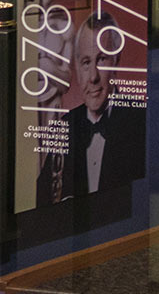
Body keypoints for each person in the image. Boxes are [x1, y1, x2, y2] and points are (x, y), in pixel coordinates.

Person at [36, 14, 143, 203]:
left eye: (101, 59)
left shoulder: (142, 122)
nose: (93, 77)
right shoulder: (64, 127)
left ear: (116, 61)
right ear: (77, 66)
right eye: (86, 63)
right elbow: (42, 200)